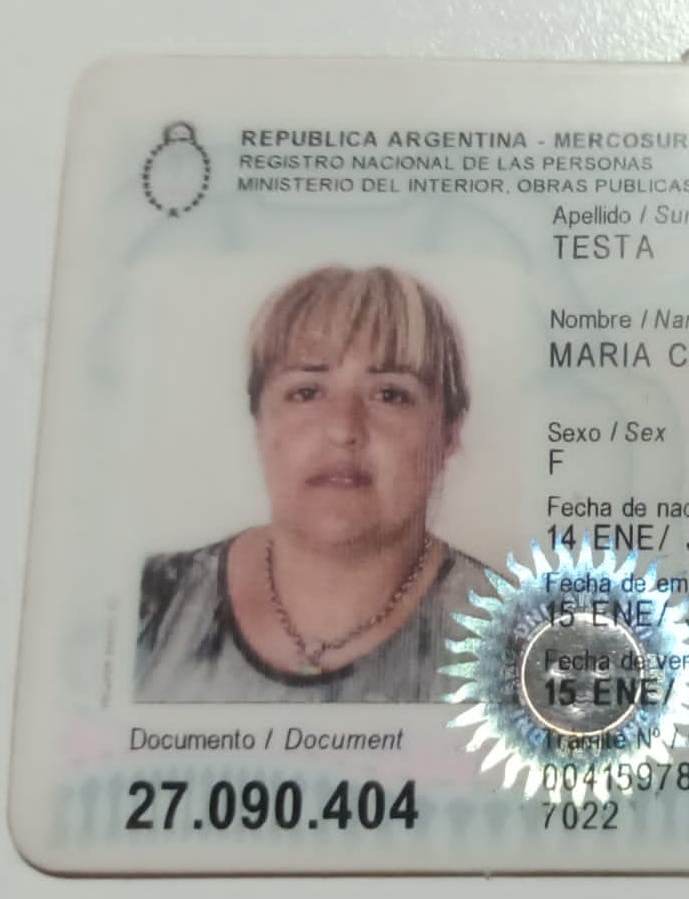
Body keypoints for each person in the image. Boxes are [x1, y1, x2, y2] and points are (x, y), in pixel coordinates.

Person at [135, 265, 493, 702]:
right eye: (306, 392)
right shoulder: (148, 607)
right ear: (260, 422)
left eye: (390, 395)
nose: (343, 429)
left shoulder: (513, 640)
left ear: (449, 432)